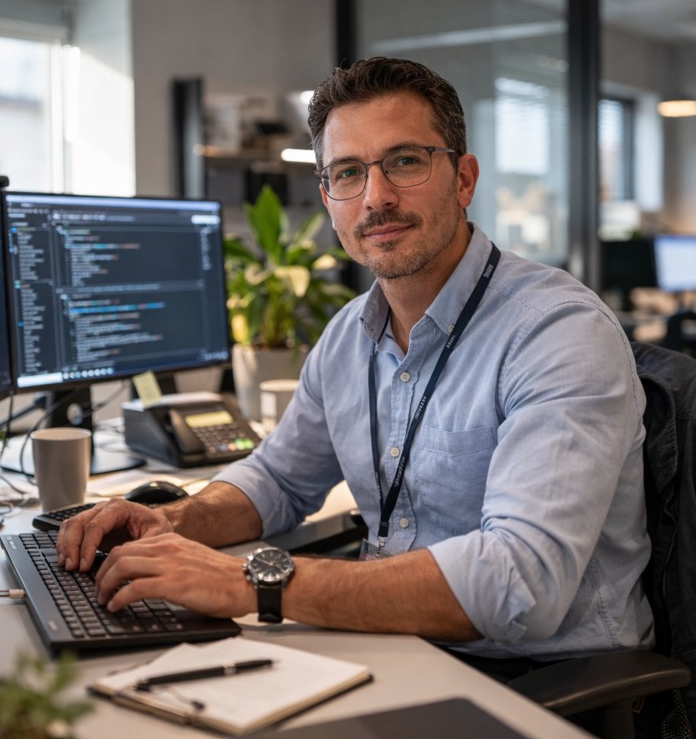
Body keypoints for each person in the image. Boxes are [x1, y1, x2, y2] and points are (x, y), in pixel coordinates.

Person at [57, 57, 653, 669]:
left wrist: (252, 583)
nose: (376, 198)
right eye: (348, 172)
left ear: (464, 178)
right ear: (328, 198)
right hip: (393, 645)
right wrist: (170, 523)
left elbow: (521, 584)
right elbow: (279, 481)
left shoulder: (556, 332)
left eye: (404, 161)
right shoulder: (348, 336)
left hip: (536, 678)